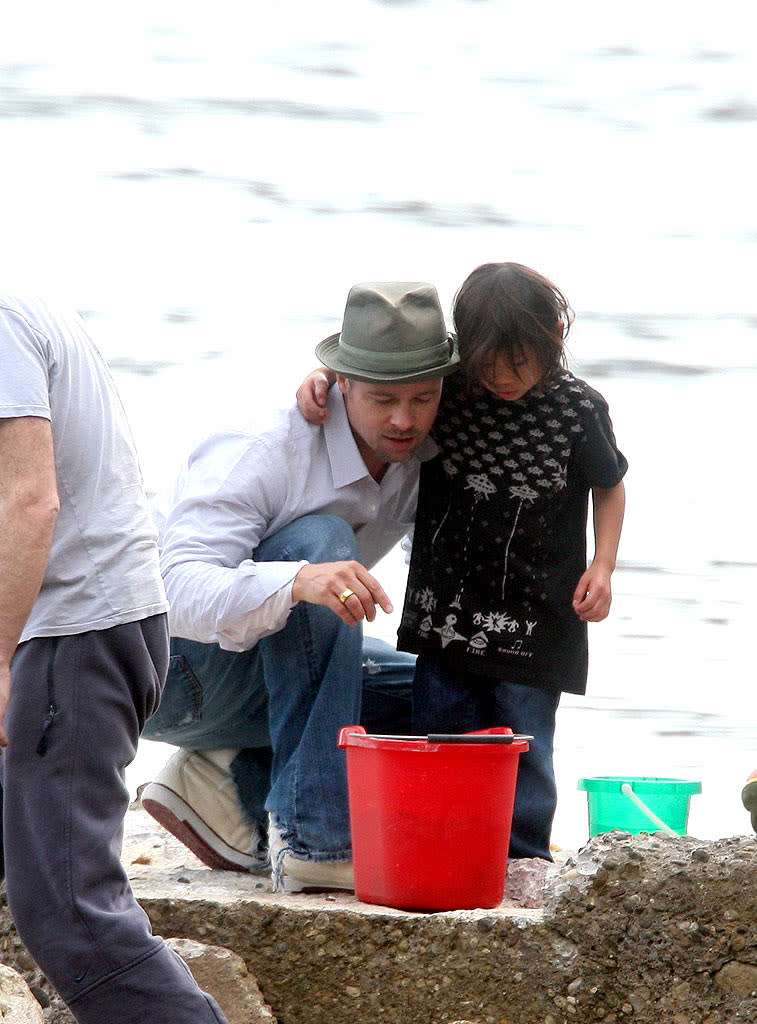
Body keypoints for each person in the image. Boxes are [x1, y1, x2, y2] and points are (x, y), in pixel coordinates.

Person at [299, 263, 627, 861]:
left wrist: (602, 566)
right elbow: (383, 378)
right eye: (486, 367)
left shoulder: (579, 410)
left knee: (524, 741)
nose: (502, 381)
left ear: (553, 337)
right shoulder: (451, 392)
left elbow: (610, 486)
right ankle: (433, 848)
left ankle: (523, 857)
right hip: (446, 607)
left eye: (519, 366)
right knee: (440, 733)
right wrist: (321, 377)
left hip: (538, 613)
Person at [140, 281, 460, 892]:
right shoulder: (263, 447)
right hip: (170, 672)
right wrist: (297, 581)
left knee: (440, 692)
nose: (404, 419)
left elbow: (519, 387)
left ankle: (227, 780)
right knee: (321, 543)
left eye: (424, 397)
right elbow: (174, 592)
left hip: (263, 665)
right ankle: (313, 838)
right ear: (341, 383)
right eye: (383, 398)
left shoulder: (428, 444)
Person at [0, 297, 228, 1024]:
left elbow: (33, 501)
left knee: (72, 917)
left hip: (71, 635)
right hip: (90, 624)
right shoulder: (24, 313)